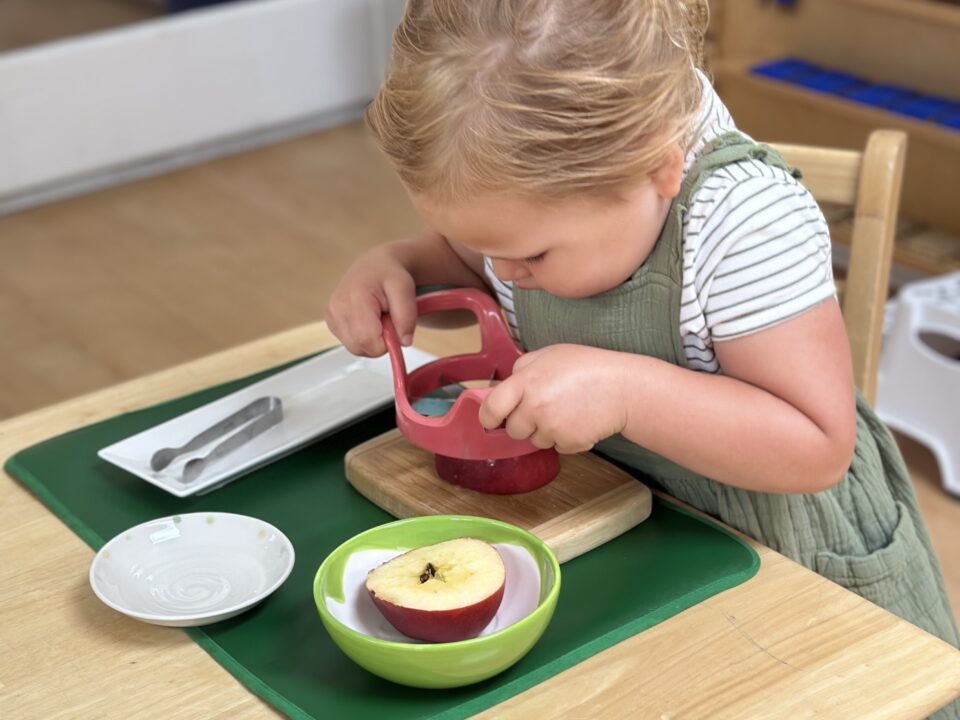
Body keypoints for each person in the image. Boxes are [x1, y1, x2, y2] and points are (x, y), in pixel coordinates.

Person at [325, 0, 960, 691]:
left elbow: (817, 446)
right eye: (479, 243)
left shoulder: (744, 223)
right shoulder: (551, 205)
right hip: (633, 529)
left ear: (659, 169)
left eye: (531, 254)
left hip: (786, 561)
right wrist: (402, 266)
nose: (502, 271)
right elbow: (477, 267)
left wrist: (624, 393)